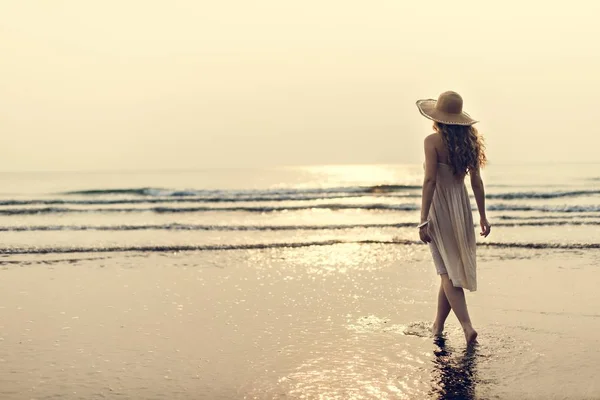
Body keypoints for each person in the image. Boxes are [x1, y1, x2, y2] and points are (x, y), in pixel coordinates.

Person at [415, 91, 491, 345]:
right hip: (461, 206)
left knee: (446, 271)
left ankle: (467, 328)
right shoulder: (469, 143)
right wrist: (482, 216)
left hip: (440, 207)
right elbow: (477, 183)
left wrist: (423, 219)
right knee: (447, 268)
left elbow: (430, 180)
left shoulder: (432, 141)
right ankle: (437, 326)